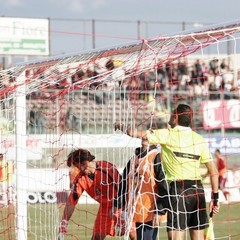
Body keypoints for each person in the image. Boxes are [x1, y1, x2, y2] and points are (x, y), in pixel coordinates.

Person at [115, 103, 220, 240]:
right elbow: (214, 171)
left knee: (175, 237)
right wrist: (215, 198)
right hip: (198, 191)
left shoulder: (168, 134)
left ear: (175, 118)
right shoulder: (199, 140)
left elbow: (135, 134)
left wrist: (120, 125)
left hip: (179, 191)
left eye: (171, 114)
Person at [58, 148, 122, 240]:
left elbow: (124, 189)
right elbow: (71, 202)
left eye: (77, 167)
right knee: (96, 237)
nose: (76, 170)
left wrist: (121, 210)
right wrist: (64, 224)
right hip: (105, 207)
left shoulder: (107, 168)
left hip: (123, 204)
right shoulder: (80, 179)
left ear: (85, 163)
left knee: (133, 234)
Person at [114, 145, 168, 240]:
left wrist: (159, 210)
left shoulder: (156, 157)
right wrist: (118, 204)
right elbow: (124, 183)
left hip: (150, 210)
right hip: (138, 209)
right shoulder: (133, 160)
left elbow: (164, 186)